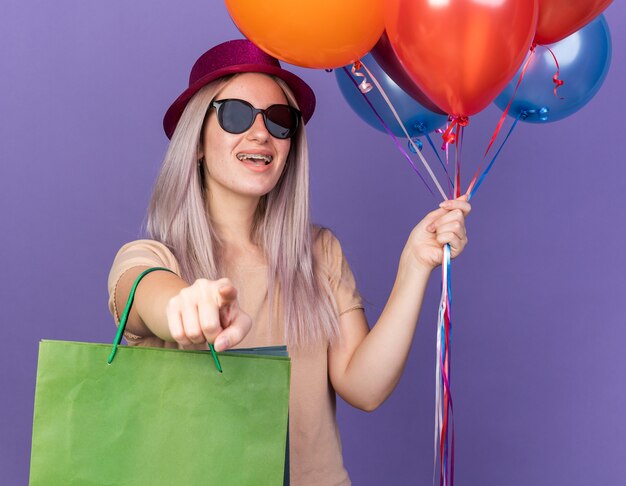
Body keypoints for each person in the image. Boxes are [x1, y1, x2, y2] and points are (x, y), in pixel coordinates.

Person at [108, 39, 470, 485]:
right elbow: (149, 294)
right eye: (236, 115)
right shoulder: (153, 258)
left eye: (280, 121)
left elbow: (365, 387)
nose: (261, 133)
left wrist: (415, 265)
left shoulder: (319, 254)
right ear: (196, 141)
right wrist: (186, 305)